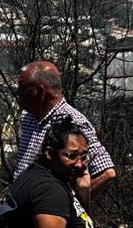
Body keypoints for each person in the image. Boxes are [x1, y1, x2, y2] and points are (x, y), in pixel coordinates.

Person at [13, 61, 116, 207]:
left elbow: (107, 172)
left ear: (41, 92)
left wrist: (71, 206)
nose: (19, 95)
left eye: (24, 90)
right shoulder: (28, 116)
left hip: (48, 215)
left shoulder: (73, 122)